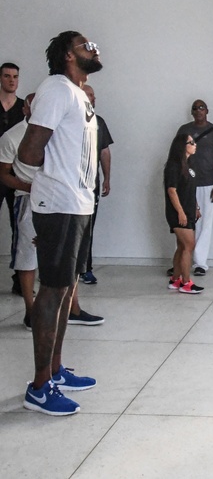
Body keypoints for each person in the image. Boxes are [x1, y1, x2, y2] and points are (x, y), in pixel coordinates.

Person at [18, 31, 103, 416]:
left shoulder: (77, 94)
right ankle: (39, 388)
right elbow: (30, 149)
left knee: (67, 289)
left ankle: (55, 371)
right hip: (60, 204)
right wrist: (45, 187)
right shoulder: (55, 89)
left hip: (78, 203)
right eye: (87, 44)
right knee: (52, 292)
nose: (95, 47)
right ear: (69, 55)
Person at [0, 92, 103, 330]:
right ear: (25, 109)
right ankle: (30, 311)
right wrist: (30, 186)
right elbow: (4, 173)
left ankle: (72, 308)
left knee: (68, 255)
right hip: (28, 200)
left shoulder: (60, 132)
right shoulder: (11, 136)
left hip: (60, 200)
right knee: (27, 255)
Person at [173, 99, 213, 277]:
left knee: (204, 224)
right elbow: (177, 154)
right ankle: (180, 262)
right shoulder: (184, 130)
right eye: (195, 108)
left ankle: (200, 262)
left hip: (207, 183)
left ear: (207, 110)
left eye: (201, 107)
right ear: (192, 112)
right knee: (183, 222)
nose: (198, 111)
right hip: (186, 183)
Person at [79, 84, 112, 285]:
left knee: (87, 228)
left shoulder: (99, 122)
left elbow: (105, 151)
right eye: (89, 95)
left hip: (92, 186)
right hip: (72, 186)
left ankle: (85, 268)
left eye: (93, 96)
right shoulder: (71, 119)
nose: (93, 98)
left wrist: (107, 177)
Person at [165, 133, 203, 294]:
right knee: (189, 245)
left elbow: (190, 190)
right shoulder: (174, 166)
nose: (195, 145)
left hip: (188, 210)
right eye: (191, 142)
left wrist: (196, 207)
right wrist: (180, 212)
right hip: (178, 213)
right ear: (182, 145)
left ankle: (175, 279)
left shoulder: (189, 166)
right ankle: (186, 283)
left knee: (182, 246)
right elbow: (172, 191)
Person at [0, 62, 26, 295]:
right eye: (7, 76)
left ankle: (20, 280)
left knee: (18, 224)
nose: (11, 80)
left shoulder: (22, 109)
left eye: (15, 77)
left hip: (15, 174)